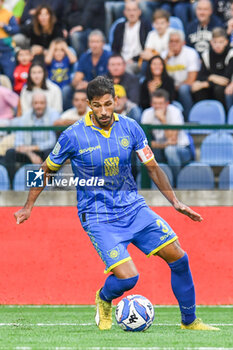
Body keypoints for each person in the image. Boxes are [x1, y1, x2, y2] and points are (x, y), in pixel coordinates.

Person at [14, 75, 219, 332]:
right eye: (97, 105)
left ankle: (189, 322)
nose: (103, 111)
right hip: (98, 215)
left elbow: (153, 168)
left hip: (133, 208)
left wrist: (175, 201)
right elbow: (45, 169)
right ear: (89, 104)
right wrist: (28, 206)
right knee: (129, 278)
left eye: (108, 104)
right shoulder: (73, 135)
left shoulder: (131, 127)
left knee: (179, 257)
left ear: (116, 101)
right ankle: (104, 297)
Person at [4, 91, 59, 184]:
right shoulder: (25, 117)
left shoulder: (53, 114)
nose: (39, 106)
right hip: (27, 152)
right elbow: (18, 142)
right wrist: (30, 154)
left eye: (41, 103)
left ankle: (51, 184)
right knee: (10, 153)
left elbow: (51, 141)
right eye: (36, 103)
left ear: (46, 104)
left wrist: (32, 148)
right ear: (32, 104)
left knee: (51, 153)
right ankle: (11, 184)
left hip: (44, 151)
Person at [141, 89, 193, 181]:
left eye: (160, 103)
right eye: (155, 103)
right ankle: (144, 184)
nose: (157, 106)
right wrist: (162, 144)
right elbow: (144, 143)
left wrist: (163, 120)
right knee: (141, 152)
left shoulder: (175, 112)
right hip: (160, 149)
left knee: (170, 150)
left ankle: (176, 183)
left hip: (182, 149)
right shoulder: (147, 113)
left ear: (167, 103)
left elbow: (173, 140)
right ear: (151, 104)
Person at [63, 30, 111, 110]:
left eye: (97, 42)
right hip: (85, 90)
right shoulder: (84, 57)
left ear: (103, 44)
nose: (94, 45)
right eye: (92, 42)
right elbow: (76, 79)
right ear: (88, 44)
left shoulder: (109, 57)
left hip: (104, 89)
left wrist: (88, 85)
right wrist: (78, 83)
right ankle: (68, 114)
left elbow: (107, 81)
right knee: (66, 90)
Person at [192, 27, 233, 110]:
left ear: (226, 42)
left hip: (226, 87)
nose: (217, 45)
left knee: (219, 89)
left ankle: (224, 117)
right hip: (213, 86)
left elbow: (226, 79)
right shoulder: (206, 55)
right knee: (198, 90)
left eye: (221, 42)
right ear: (211, 42)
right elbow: (201, 76)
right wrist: (211, 78)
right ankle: (202, 115)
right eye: (215, 42)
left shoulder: (231, 53)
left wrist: (208, 81)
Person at [162, 29, 200, 120]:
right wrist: (167, 58)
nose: (173, 44)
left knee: (183, 89)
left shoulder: (191, 53)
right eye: (171, 41)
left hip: (186, 86)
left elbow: (191, 79)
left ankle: (189, 119)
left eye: (176, 41)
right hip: (170, 86)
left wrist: (177, 86)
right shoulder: (164, 54)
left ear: (183, 43)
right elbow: (157, 73)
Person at [111, 0, 152, 73]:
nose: (131, 13)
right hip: (120, 61)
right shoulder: (119, 27)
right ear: (124, 12)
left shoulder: (145, 26)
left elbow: (148, 48)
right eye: (128, 10)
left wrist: (134, 59)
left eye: (134, 10)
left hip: (138, 61)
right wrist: (120, 60)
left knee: (125, 71)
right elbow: (114, 48)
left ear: (139, 12)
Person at [0, 0, 19, 83]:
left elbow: (16, 29)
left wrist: (5, 26)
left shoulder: (8, 14)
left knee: (9, 75)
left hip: (6, 49)